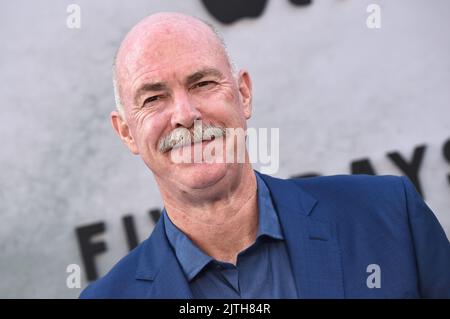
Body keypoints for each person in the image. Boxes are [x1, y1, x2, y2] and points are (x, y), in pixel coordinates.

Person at [80, 12, 450, 298]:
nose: (185, 116)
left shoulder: (388, 217)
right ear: (126, 131)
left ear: (243, 94)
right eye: (153, 98)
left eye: (203, 83)